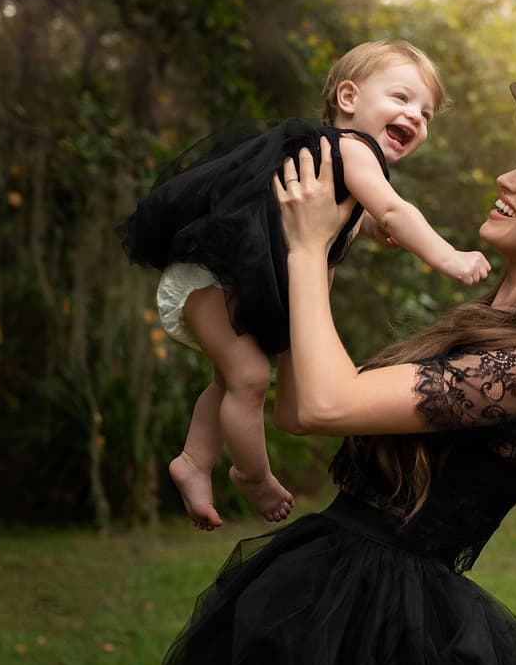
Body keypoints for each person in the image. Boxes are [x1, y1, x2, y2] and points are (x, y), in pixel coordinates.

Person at [149, 83, 516, 665]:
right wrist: (312, 254)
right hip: (326, 578)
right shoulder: (480, 328)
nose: (505, 178)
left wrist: (308, 249)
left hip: (389, 633)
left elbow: (324, 408)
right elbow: (294, 408)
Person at [119, 40, 492, 531]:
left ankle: (193, 460)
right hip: (208, 277)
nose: (416, 117)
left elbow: (359, 217)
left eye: (425, 113)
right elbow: (396, 210)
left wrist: (370, 227)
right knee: (249, 377)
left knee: (233, 378)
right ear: (348, 98)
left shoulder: (329, 161)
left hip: (226, 286)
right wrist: (449, 256)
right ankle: (251, 474)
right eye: (401, 99)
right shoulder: (352, 149)